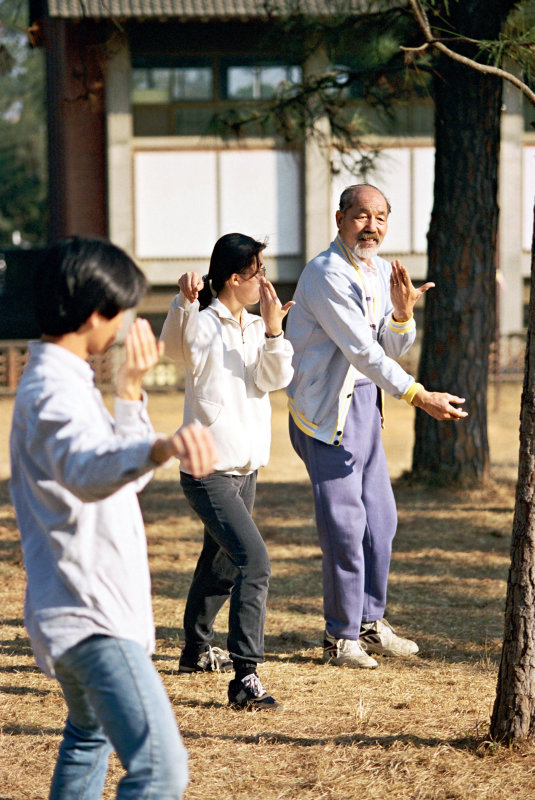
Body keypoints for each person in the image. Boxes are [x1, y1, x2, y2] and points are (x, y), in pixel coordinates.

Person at [9, 237, 217, 800]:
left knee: (89, 735)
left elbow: (117, 475)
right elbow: (85, 469)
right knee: (161, 769)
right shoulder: (53, 390)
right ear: (96, 313)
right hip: (91, 616)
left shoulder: (66, 381)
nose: (127, 324)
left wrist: (129, 394)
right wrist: (158, 447)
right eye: (125, 310)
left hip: (86, 610)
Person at [285, 184, 468, 670]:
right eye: (362, 216)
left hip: (366, 407)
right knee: (345, 528)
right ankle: (340, 636)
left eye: (381, 217)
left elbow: (388, 346)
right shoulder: (326, 272)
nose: (373, 226)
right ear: (341, 218)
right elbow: (360, 352)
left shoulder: (382, 270)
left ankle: (369, 619)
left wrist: (404, 313)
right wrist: (418, 394)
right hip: (326, 415)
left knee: (380, 523)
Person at [161, 232, 294, 711]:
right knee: (253, 562)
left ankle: (195, 650)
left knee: (219, 563)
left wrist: (276, 331)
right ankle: (246, 677)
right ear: (234, 278)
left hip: (245, 468)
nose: (264, 279)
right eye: (257, 271)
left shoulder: (258, 326)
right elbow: (175, 350)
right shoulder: (201, 322)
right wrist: (182, 301)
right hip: (206, 469)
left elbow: (274, 379)